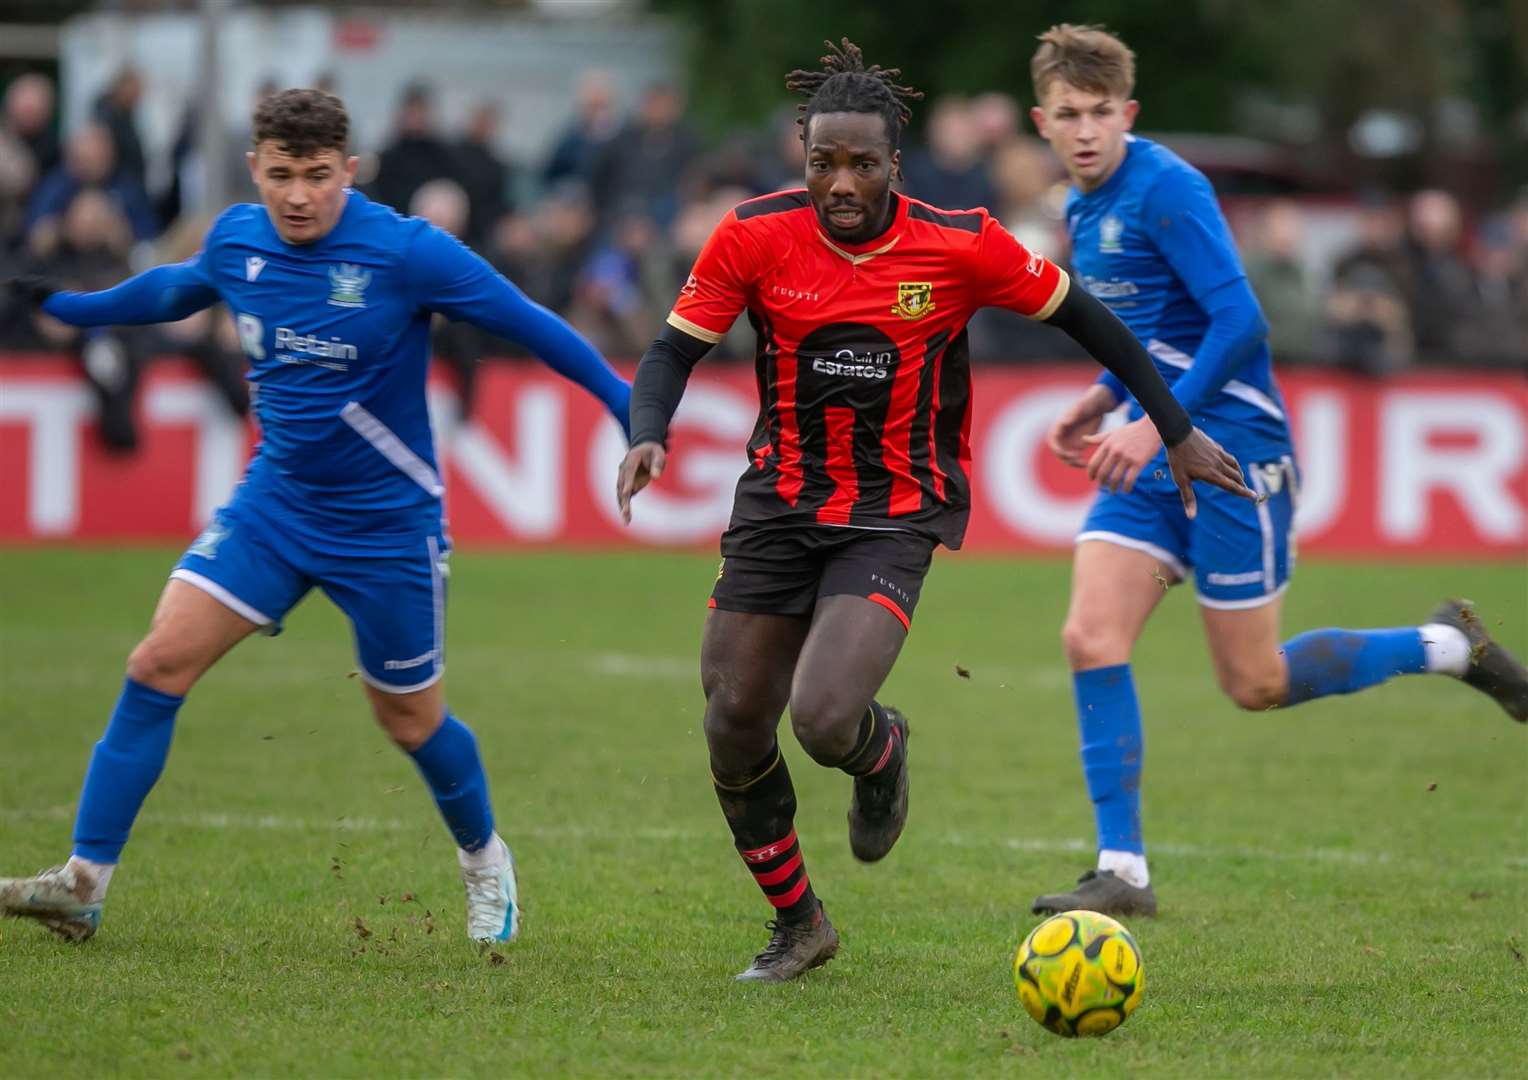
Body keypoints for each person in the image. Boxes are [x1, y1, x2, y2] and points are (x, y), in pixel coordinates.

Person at [615, 38, 1250, 983]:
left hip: (894, 511)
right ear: (803, 154)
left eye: (861, 163)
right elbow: (671, 350)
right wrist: (648, 429)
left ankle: (883, 750)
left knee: (826, 719)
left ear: (894, 166)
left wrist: (1176, 426)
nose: (840, 181)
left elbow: (1090, 320)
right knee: (733, 720)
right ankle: (801, 924)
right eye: (822, 160)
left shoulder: (958, 245)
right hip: (777, 505)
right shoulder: (752, 234)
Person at [0, 89, 631, 944]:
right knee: (156, 663)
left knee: (409, 719)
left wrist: (628, 406)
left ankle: (486, 863)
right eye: (283, 175)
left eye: (319, 176)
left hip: (387, 530)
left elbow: (530, 322)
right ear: (258, 166)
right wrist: (67, 307)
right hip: (276, 507)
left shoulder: (407, 253)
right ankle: (84, 881)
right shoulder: (236, 237)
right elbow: (173, 291)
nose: (299, 196)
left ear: (351, 171)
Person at [1024, 24, 1528, 920]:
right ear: (1044, 123)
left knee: (1253, 684)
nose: (1088, 129)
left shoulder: (1169, 188)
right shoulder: (1079, 208)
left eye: (1103, 112)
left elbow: (1240, 324)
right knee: (1088, 637)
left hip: (1233, 456)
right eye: (1071, 114)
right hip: (1152, 448)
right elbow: (1147, 335)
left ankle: (1448, 647)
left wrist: (1152, 425)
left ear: (1128, 113)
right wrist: (1105, 401)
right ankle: (1123, 871)